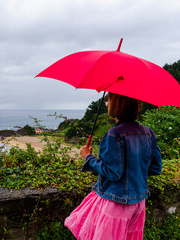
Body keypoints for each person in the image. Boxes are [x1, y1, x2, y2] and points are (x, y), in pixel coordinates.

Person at [64, 92, 162, 240]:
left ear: (116, 105)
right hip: (138, 203)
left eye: (108, 101)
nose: (107, 104)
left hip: (116, 204)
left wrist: (88, 157)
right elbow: (156, 168)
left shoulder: (114, 135)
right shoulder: (149, 134)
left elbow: (112, 173)